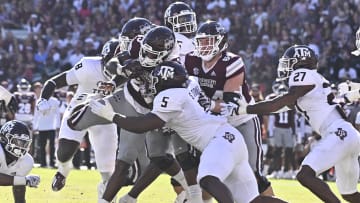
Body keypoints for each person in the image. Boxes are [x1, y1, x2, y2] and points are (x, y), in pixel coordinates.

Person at [90, 61, 287, 203]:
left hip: (218, 141)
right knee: (252, 200)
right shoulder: (189, 85)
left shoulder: (170, 95)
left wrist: (112, 116)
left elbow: (143, 124)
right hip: (229, 138)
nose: (153, 83)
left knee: (207, 179)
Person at [68, 26, 192, 203]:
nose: (147, 56)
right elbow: (112, 63)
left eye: (153, 54)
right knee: (74, 120)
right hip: (125, 97)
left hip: (150, 113)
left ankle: (188, 188)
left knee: (138, 159)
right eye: (145, 52)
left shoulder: (173, 67)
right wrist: (118, 74)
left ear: (165, 53)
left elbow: (167, 99)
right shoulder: (137, 44)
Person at [222, 44, 360, 203]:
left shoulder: (303, 74)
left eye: (289, 62)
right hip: (347, 135)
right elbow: (274, 107)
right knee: (349, 194)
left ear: (300, 63)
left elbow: (277, 103)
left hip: (338, 134)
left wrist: (242, 109)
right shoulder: (310, 85)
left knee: (304, 175)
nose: (285, 67)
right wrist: (246, 109)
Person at [119, 3, 205, 203]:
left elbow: (189, 74)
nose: (186, 24)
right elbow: (132, 59)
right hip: (160, 100)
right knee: (161, 154)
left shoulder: (188, 45)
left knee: (186, 156)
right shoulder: (156, 39)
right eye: (181, 20)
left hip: (180, 98)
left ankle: (195, 197)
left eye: (187, 19)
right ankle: (189, 195)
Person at [184, 20, 274, 196]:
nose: (203, 45)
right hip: (213, 124)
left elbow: (229, 105)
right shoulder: (191, 59)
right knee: (209, 173)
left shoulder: (232, 62)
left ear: (221, 42)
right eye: (201, 41)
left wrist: (205, 102)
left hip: (240, 120)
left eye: (208, 41)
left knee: (253, 175)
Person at [36, 39, 120, 201]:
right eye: (112, 63)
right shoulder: (89, 66)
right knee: (63, 153)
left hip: (104, 118)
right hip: (77, 111)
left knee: (107, 171)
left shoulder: (127, 74)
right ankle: (63, 170)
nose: (115, 68)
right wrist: (43, 99)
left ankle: (105, 197)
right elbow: (55, 81)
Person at [0, 120, 40, 203]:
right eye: (18, 142)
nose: (21, 147)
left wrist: (22, 181)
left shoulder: (26, 161)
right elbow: (20, 180)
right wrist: (25, 180)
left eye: (24, 143)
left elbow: (19, 187)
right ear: (4, 139)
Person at [33, 82, 60, 168]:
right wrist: (35, 126)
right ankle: (43, 163)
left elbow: (57, 114)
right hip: (42, 127)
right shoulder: (39, 101)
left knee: (52, 146)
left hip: (51, 126)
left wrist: (57, 125)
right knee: (42, 146)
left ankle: (52, 162)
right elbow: (36, 115)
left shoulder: (55, 101)